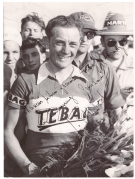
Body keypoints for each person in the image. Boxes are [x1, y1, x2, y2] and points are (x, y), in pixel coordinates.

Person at [4, 14, 93, 177]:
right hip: (38, 172)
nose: (66, 50)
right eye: (59, 43)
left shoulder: (88, 82)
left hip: (78, 172)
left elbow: (95, 130)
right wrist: (28, 167)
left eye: (72, 44)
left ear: (79, 44)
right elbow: (7, 131)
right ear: (46, 43)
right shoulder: (26, 80)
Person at [70, 12, 125, 126]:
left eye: (90, 34)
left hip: (95, 139)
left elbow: (115, 108)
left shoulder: (104, 67)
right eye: (80, 33)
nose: (84, 39)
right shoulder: (52, 67)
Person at [97, 12, 134, 100]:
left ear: (127, 42)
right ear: (102, 42)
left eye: (122, 42)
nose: (118, 47)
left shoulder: (133, 67)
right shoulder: (91, 67)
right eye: (111, 42)